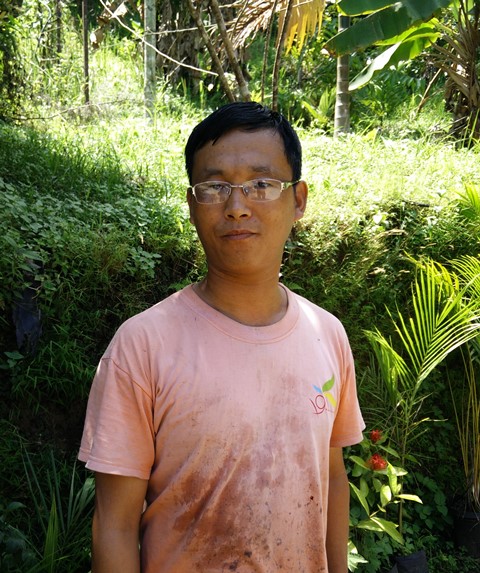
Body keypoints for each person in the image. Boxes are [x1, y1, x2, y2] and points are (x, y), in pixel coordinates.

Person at [79, 101, 365, 573]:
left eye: (261, 184)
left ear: (298, 200)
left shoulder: (327, 336)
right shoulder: (142, 346)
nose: (237, 207)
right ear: (193, 206)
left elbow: (331, 480)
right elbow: (114, 523)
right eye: (215, 187)